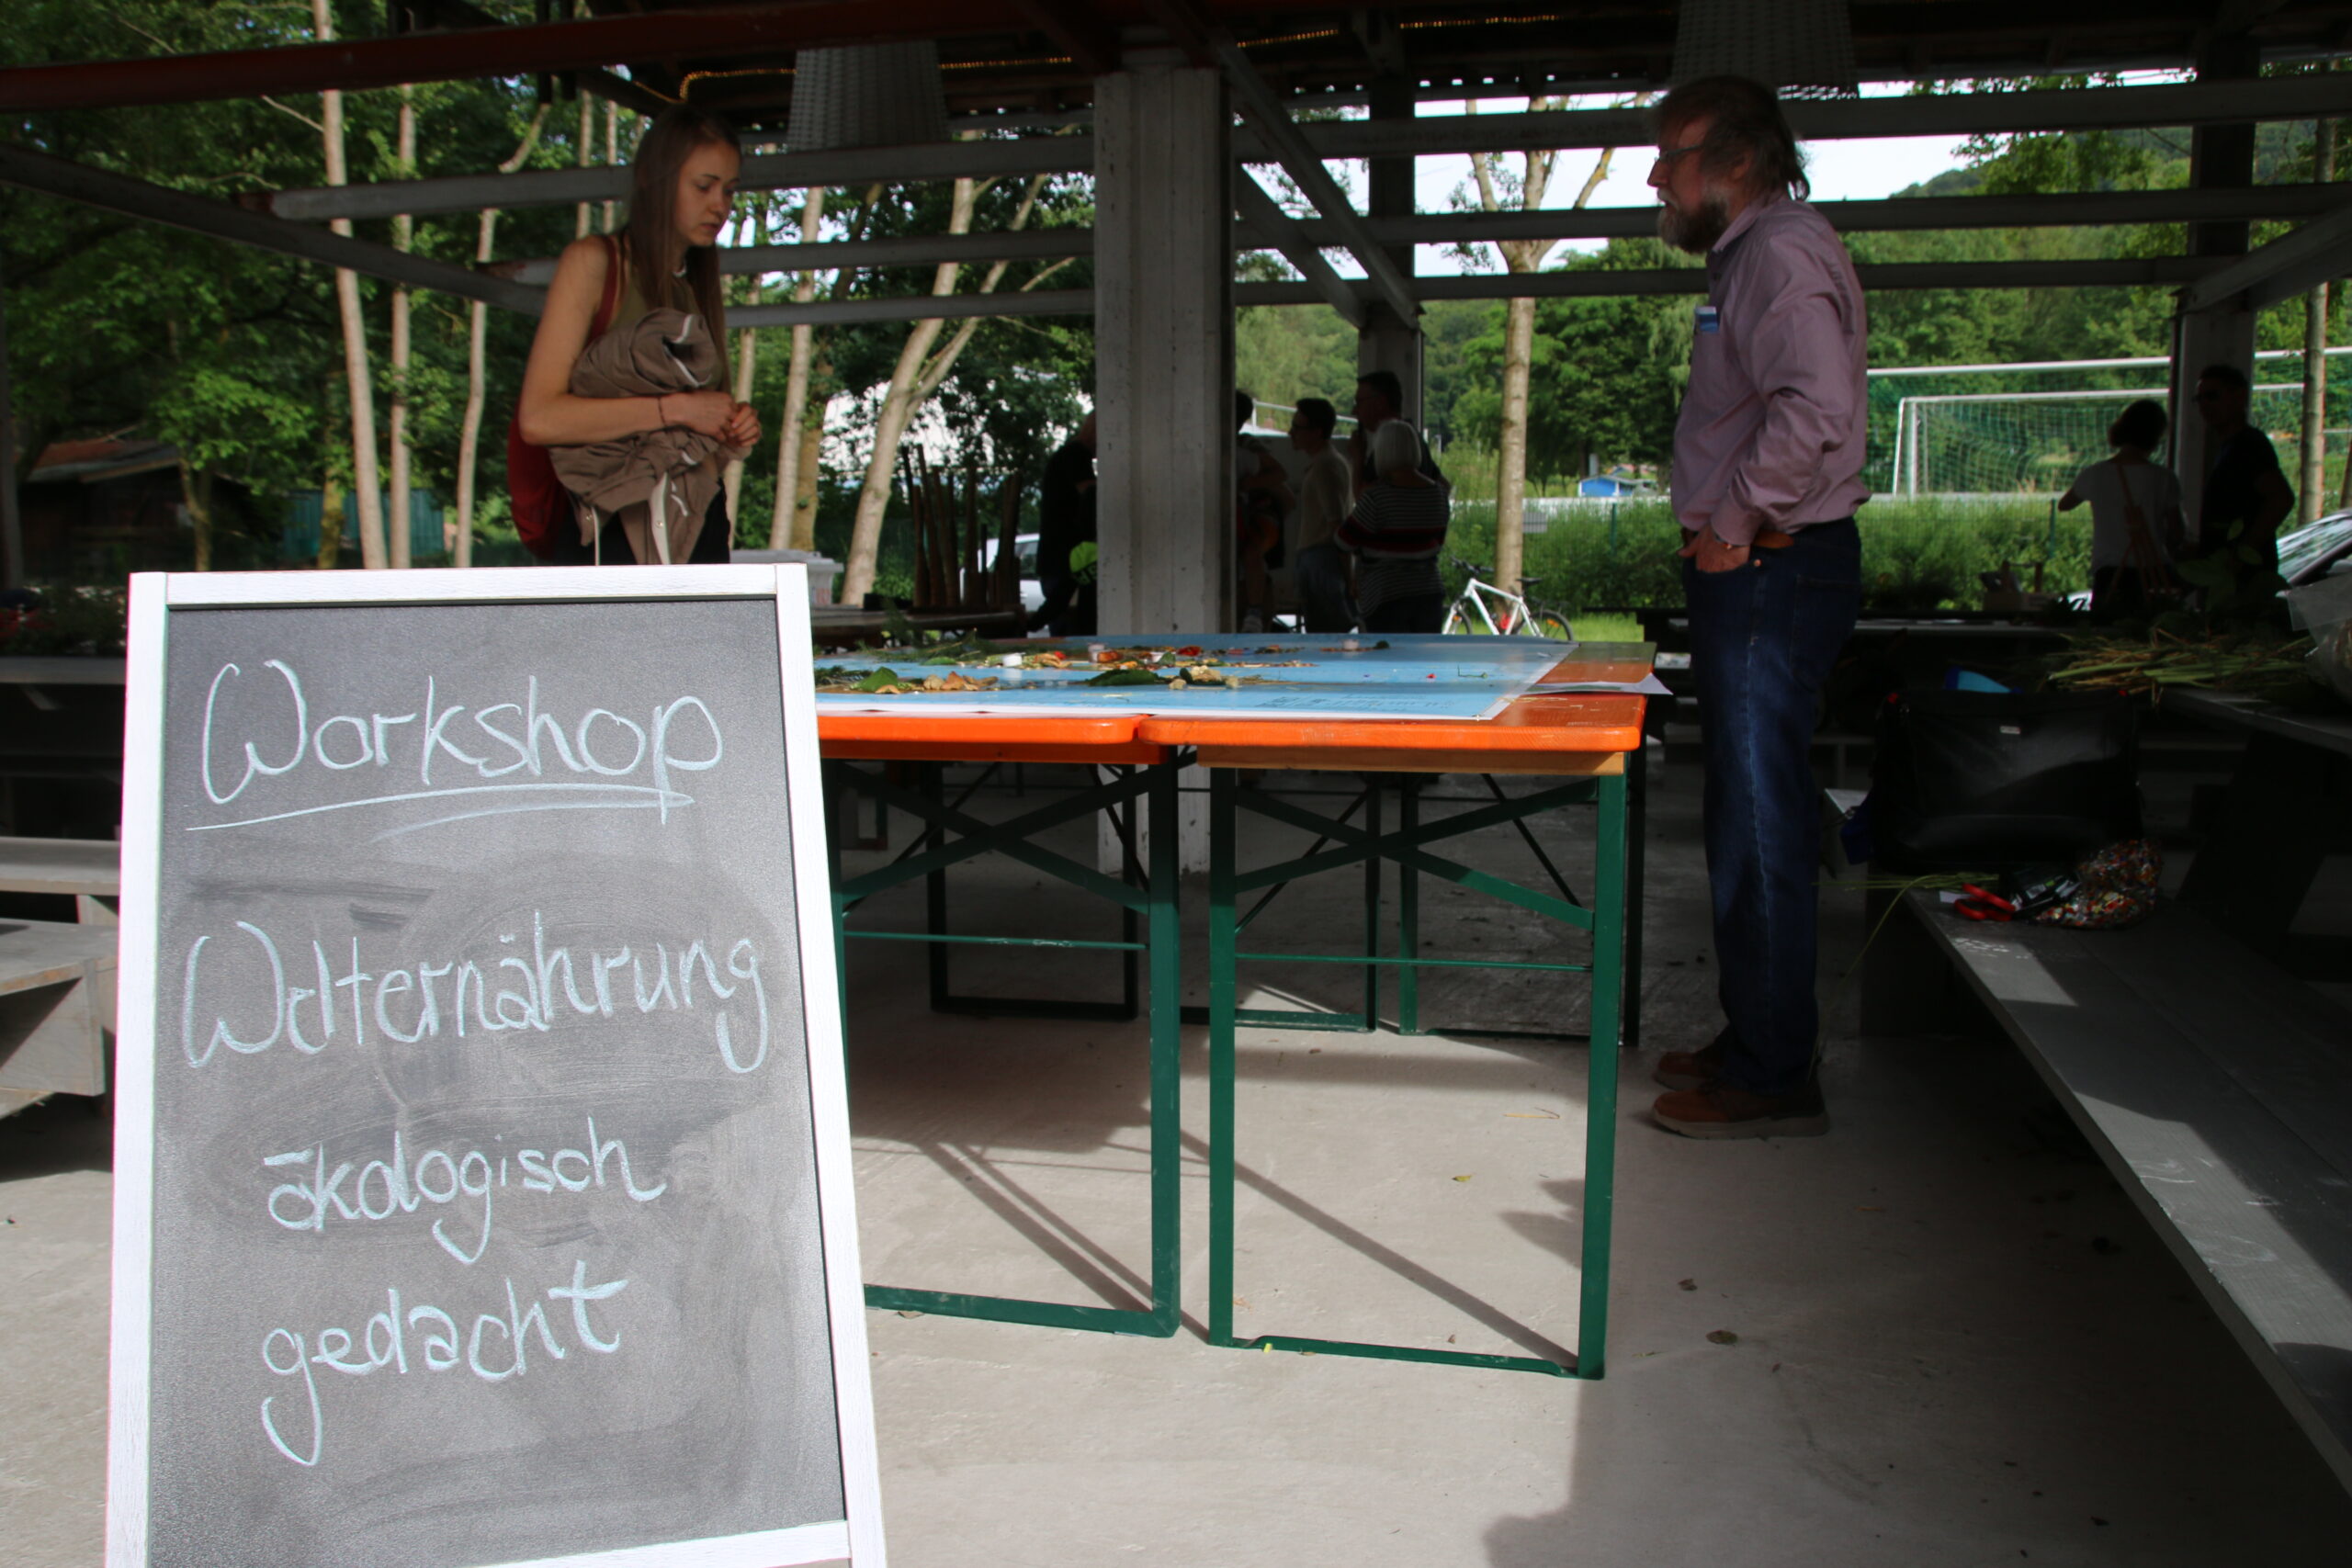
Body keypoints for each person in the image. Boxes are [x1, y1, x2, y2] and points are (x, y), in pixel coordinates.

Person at [1644, 75, 1866, 1140]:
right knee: (1742, 813)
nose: (1656, 175)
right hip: (1764, 562)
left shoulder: (1775, 252)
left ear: (1734, 160)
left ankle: (1776, 1076)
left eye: (1670, 156)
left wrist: (1732, 522)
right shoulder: (1753, 259)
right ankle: (1755, 1040)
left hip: (1774, 563)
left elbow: (1813, 407)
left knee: (1764, 818)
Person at [518, 107, 759, 564]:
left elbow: (690, 450)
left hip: (690, 529)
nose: (720, 206)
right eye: (703, 186)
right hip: (609, 523)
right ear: (653, 178)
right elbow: (539, 418)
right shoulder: (594, 262)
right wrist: (676, 410)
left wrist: (727, 435)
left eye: (729, 190)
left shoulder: (695, 283)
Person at [2057, 399, 2185, 619]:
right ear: (2155, 435)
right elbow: (2177, 531)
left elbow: (2064, 505)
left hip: (2110, 571)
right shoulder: (2164, 478)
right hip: (2154, 571)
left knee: (2107, 637)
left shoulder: (2095, 474)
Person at [2191, 363, 2295, 610]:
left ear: (2239, 396)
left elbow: (2281, 498)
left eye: (2213, 396)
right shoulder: (2230, 447)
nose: (2205, 405)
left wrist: (2243, 552)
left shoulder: (2248, 446)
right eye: (2200, 399)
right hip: (2226, 573)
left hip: (2241, 580)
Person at [1336, 418, 1450, 633]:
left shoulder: (1377, 497)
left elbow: (1343, 540)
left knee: (1388, 662)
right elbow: (1437, 542)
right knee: (1424, 663)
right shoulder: (1438, 494)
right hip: (1429, 592)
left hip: (1385, 595)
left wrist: (1353, 578)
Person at [1288, 397, 1357, 632]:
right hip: (1317, 558)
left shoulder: (1326, 466)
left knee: (1326, 634)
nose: (1291, 433)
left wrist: (1348, 576)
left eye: (1298, 427)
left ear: (1317, 432)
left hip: (1323, 559)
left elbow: (1336, 524)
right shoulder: (1324, 463)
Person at [1035, 413, 1098, 636]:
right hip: (1063, 561)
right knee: (1069, 630)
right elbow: (1090, 495)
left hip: (1058, 563)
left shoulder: (1066, 457)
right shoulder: (1076, 456)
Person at [1235, 390, 1292, 633]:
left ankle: (1255, 612)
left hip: (1256, 519)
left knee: (1252, 557)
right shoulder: (1242, 448)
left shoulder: (1246, 448)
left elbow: (1281, 479)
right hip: (1246, 520)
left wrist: (1248, 485)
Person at [1346, 369, 1440, 494]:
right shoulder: (1413, 440)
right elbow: (1444, 485)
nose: (1354, 411)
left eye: (1359, 403)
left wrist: (1358, 459)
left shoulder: (1391, 446)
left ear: (1380, 402)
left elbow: (1364, 500)